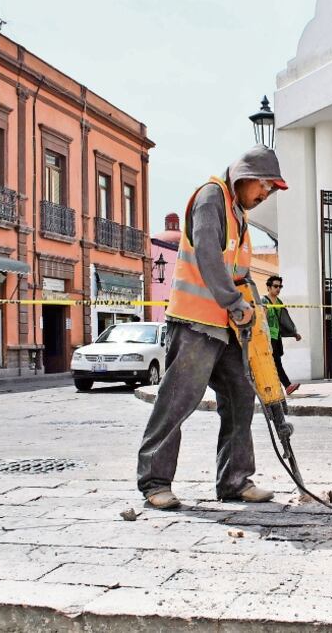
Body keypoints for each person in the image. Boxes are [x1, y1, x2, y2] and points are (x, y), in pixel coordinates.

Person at [136, 145, 288, 510]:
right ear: (245, 177)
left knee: (240, 398)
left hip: (227, 328)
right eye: (264, 187)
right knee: (178, 400)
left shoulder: (239, 215)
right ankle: (154, 481)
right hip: (195, 323)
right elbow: (206, 254)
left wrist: (252, 306)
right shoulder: (211, 198)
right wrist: (235, 304)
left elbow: (238, 271)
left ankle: (235, 480)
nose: (264, 195)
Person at [262, 275, 302, 395]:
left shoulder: (279, 302)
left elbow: (284, 321)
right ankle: (287, 385)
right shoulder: (264, 301)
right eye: (275, 286)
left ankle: (272, 387)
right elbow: (262, 319)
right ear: (268, 287)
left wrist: (294, 333)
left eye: (280, 286)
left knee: (273, 363)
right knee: (276, 362)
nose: (278, 289)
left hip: (276, 337)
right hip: (268, 338)